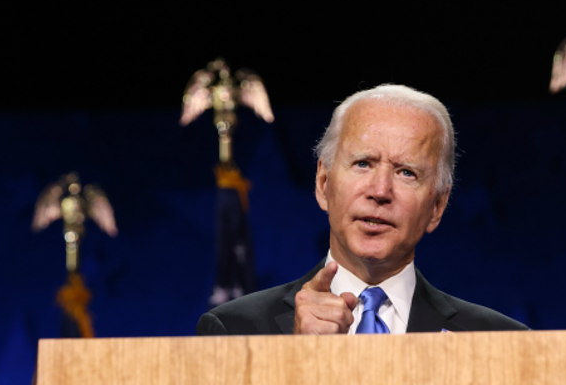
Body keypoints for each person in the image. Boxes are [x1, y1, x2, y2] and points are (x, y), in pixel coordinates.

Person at [196, 84, 527, 335]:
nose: (380, 191)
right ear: (324, 184)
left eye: (407, 172)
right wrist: (296, 366)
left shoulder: (500, 340)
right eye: (363, 163)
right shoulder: (234, 329)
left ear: (437, 207)